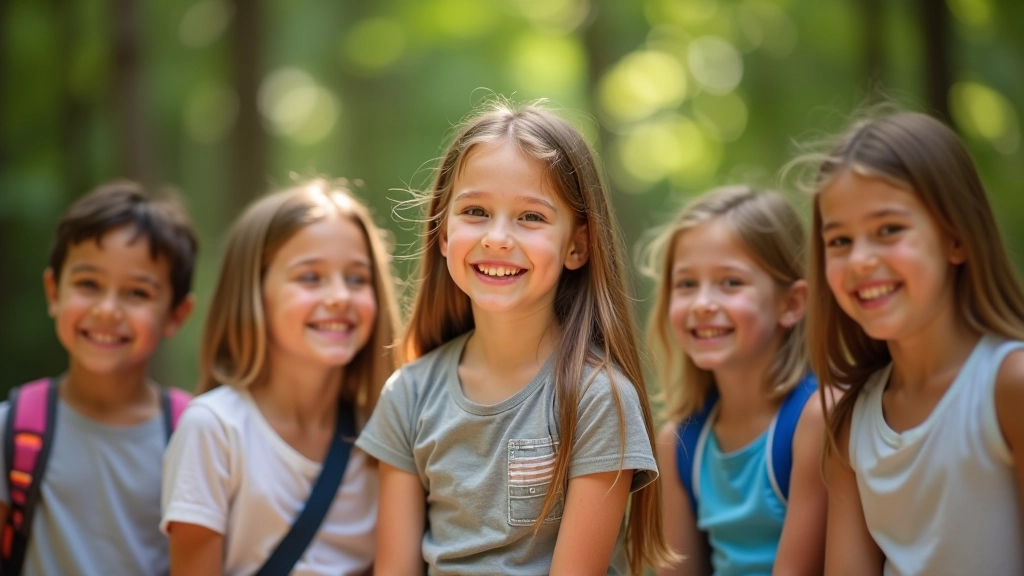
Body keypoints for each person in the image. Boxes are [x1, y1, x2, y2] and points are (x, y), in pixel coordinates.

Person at [355, 100, 674, 575]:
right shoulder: (408, 395)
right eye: (475, 211)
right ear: (443, 233)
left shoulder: (597, 399)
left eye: (531, 217)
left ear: (577, 245)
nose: (498, 238)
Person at [804, 111, 1024, 574]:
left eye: (888, 230)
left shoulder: (1010, 385)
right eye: (839, 240)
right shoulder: (850, 422)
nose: (860, 260)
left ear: (957, 238)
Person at [161, 180, 400, 576]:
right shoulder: (214, 430)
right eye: (310, 277)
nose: (340, 296)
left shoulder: (386, 437)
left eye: (358, 279)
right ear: (254, 293)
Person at [0, 181, 197, 576]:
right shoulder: (11, 430)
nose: (107, 310)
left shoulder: (194, 436)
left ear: (176, 314)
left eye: (137, 293)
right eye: (88, 285)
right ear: (53, 292)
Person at [644, 186, 827, 576]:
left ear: (791, 303)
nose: (702, 304)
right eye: (686, 284)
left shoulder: (816, 420)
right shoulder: (679, 444)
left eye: (731, 282)